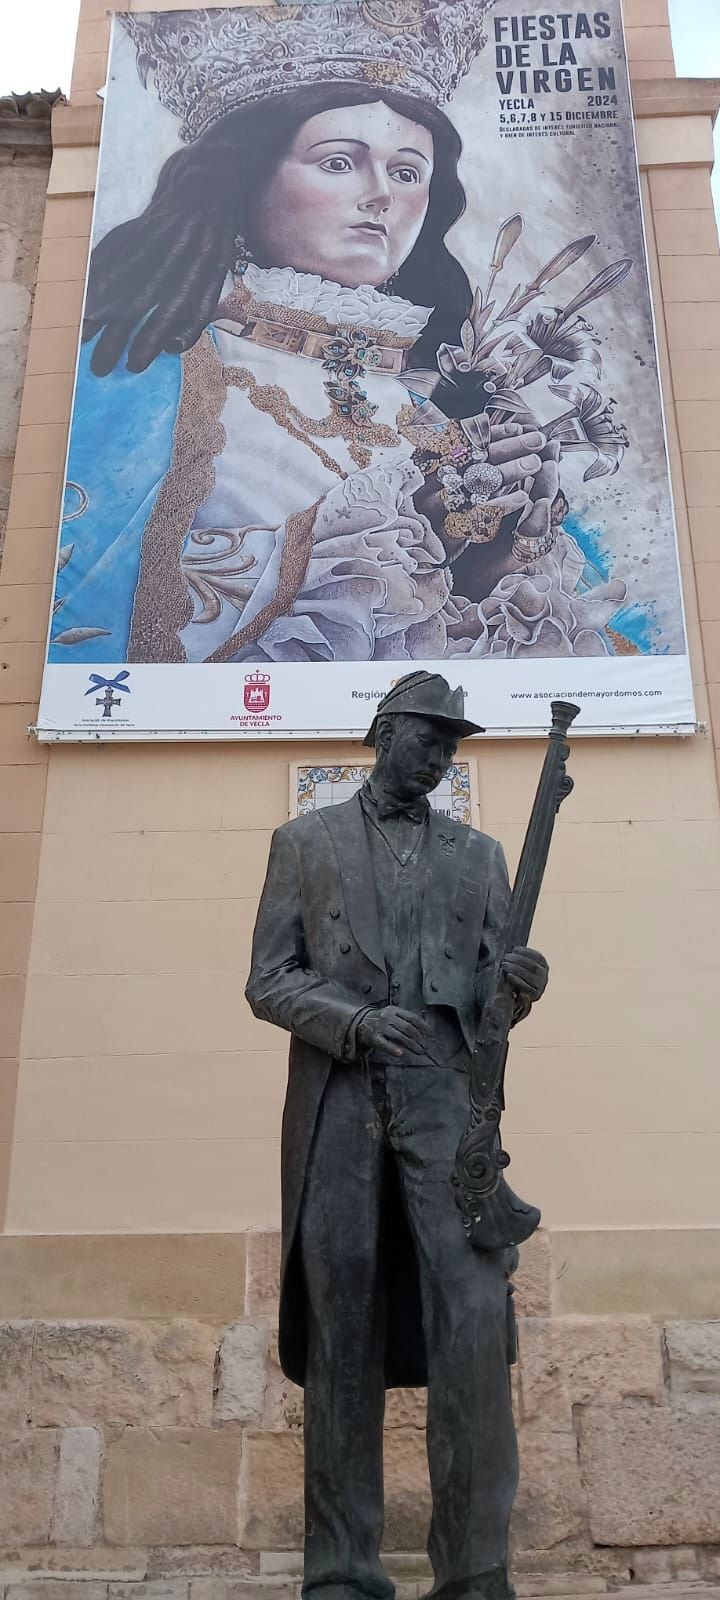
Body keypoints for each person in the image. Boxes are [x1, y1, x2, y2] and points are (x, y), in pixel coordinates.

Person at [50, 4, 625, 668]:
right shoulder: (147, 370)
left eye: (407, 172)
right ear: (244, 182)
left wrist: (490, 559)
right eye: (339, 163)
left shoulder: (435, 410)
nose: (381, 195)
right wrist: (383, 538)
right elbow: (106, 607)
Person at [246, 670, 549, 1600]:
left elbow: (493, 999)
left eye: (453, 743)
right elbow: (269, 979)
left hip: (448, 1111)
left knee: (469, 1318)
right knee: (345, 1329)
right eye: (429, 737)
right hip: (340, 1104)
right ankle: (340, 1568)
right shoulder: (306, 841)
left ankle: (476, 1568)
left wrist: (522, 984)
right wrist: (351, 1019)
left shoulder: (480, 853)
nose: (442, 754)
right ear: (383, 732)